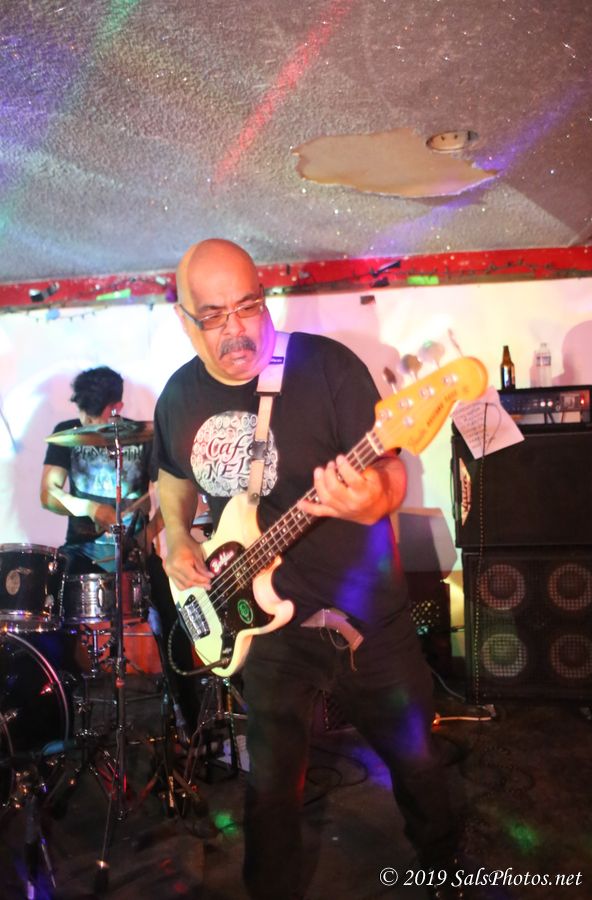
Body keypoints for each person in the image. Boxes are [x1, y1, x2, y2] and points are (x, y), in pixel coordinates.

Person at [154, 239, 460, 900]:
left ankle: (446, 876)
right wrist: (176, 534)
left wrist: (369, 500)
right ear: (184, 319)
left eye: (248, 306)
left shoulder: (327, 367)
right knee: (269, 790)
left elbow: (390, 473)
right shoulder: (178, 396)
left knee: (418, 764)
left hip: (364, 619)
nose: (237, 328)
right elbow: (173, 477)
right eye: (214, 315)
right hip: (263, 630)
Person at [40, 365, 199, 738]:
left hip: (134, 549)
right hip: (83, 549)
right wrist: (90, 508)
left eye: (93, 416)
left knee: (174, 618)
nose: (86, 422)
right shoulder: (67, 433)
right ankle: (59, 717)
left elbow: (173, 495)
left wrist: (150, 534)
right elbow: (48, 494)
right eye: (83, 413)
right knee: (48, 611)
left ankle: (192, 722)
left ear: (116, 408)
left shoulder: (143, 437)